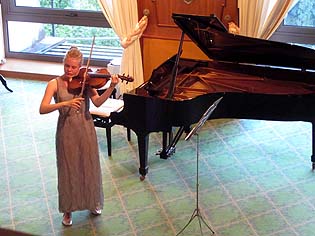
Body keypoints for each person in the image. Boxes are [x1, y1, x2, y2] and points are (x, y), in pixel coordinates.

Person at [39, 46, 119, 226]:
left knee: (89, 166)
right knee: (68, 169)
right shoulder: (54, 83)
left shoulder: (86, 82)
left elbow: (97, 102)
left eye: (74, 67)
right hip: (66, 130)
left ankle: (92, 202)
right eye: (67, 66)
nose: (70, 70)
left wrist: (112, 86)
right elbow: (42, 109)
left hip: (86, 127)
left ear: (80, 66)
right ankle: (67, 211)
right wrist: (65, 103)